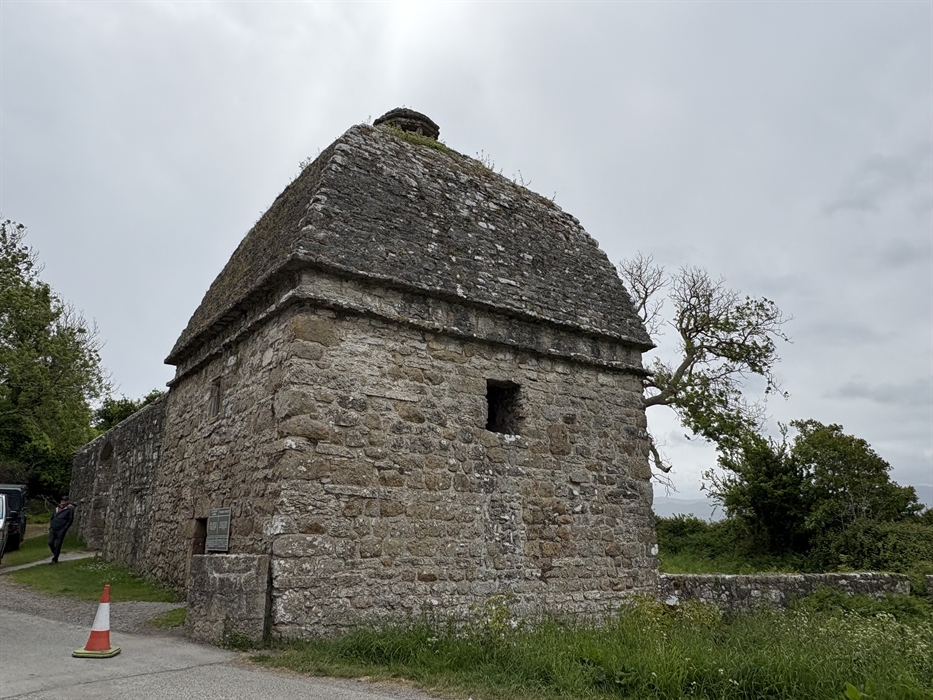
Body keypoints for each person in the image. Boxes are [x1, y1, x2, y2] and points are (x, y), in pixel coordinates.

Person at [48, 497, 74, 564]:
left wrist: (65, 528)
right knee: (50, 542)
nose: (63, 502)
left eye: (64, 500)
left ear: (67, 502)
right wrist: (51, 526)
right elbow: (52, 517)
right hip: (53, 528)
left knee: (58, 543)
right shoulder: (57, 508)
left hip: (61, 529)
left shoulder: (69, 509)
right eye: (62, 500)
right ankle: (56, 552)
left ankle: (55, 559)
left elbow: (70, 520)